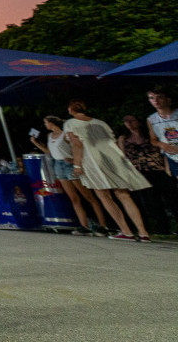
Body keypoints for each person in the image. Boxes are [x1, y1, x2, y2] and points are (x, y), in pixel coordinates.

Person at [63, 100, 151, 241]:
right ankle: (143, 232)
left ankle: (126, 231)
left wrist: (77, 165)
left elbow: (77, 144)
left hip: (93, 160)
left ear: (70, 110)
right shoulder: (100, 122)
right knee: (123, 194)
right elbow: (112, 141)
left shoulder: (70, 123)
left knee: (104, 195)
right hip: (113, 158)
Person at [30, 115, 109, 236]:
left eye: (46, 122)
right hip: (58, 165)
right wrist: (36, 143)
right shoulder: (49, 136)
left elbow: (76, 147)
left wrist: (74, 160)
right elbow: (50, 152)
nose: (45, 125)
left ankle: (103, 225)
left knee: (88, 196)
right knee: (73, 198)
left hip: (69, 164)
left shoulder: (65, 134)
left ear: (52, 123)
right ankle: (84, 226)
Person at [118, 114, 177, 236]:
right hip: (139, 172)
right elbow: (123, 157)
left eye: (132, 120)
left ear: (139, 122)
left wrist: (167, 169)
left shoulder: (150, 136)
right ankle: (162, 228)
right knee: (151, 202)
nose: (129, 123)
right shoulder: (124, 138)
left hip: (157, 169)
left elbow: (163, 152)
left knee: (171, 199)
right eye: (126, 121)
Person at [146, 87, 178, 178]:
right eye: (152, 98)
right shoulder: (151, 119)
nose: (155, 100)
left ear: (168, 100)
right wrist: (161, 144)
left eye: (159, 97)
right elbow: (153, 140)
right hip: (173, 157)